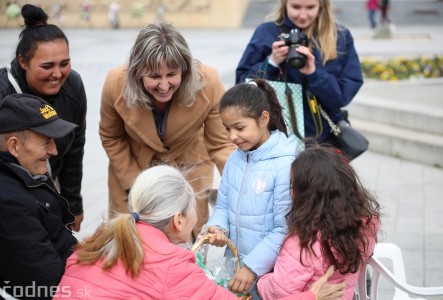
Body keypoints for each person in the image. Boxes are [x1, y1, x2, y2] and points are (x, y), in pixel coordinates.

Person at [54, 164, 343, 300]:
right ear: (178, 220)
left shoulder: (97, 242)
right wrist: (310, 297)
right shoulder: (171, 265)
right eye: (194, 206)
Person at [99, 21, 236, 235]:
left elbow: (220, 145)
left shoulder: (208, 82)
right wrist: (136, 182)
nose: (164, 86)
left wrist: (240, 185)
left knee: (186, 247)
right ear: (137, 72)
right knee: (132, 246)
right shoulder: (114, 83)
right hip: (133, 171)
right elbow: (111, 136)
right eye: (154, 76)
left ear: (185, 70)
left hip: (188, 171)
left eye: (172, 74)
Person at [206, 79, 301, 299]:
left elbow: (285, 228)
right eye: (227, 129)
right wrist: (217, 226)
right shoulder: (234, 160)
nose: (232, 136)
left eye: (239, 128)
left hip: (270, 273)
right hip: (236, 266)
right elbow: (222, 205)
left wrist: (251, 267)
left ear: (264, 119)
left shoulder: (286, 164)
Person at [0, 4, 87, 232]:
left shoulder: (73, 85)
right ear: (23, 62)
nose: (57, 74)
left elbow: (75, 148)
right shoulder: (3, 93)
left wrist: (72, 204)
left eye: (64, 64)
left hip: (49, 185)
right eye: (47, 66)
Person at [257, 141, 381, 299]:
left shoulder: (304, 244)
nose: (290, 193)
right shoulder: (364, 227)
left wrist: (262, 280)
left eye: (292, 186)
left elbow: (278, 292)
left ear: (307, 195)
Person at [235, 0, 363, 149]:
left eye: (310, 7)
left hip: (323, 139)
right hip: (275, 138)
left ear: (321, 5)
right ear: (285, 4)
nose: (303, 15)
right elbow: (242, 85)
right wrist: (271, 62)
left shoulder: (340, 37)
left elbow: (340, 97)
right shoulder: (267, 32)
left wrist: (314, 73)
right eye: (296, 7)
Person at [0, 93, 79, 300]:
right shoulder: (9, 203)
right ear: (14, 146)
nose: (54, 150)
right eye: (46, 142)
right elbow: (46, 284)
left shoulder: (24, 173)